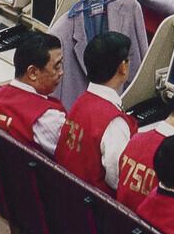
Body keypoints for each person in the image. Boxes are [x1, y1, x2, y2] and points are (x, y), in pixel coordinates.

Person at [55, 31, 137, 188]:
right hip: (94, 204)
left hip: (69, 192)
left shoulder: (80, 102)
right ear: (123, 67)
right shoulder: (115, 123)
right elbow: (118, 179)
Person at [0, 29, 70, 153]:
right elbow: (75, 160)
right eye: (56, 66)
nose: (61, 72)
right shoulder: (48, 118)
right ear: (32, 72)